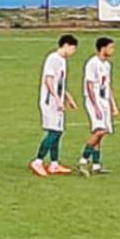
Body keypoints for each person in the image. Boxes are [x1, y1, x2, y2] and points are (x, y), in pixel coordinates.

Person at [31, 34, 81, 176]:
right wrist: (57, 99)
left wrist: (68, 98)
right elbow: (49, 80)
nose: (73, 52)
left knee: (58, 131)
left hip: (57, 101)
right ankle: (38, 161)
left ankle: (54, 164)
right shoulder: (53, 58)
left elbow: (60, 84)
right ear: (66, 45)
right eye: (73, 49)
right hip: (49, 101)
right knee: (54, 131)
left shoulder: (62, 61)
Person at [79, 36, 119, 176]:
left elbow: (107, 86)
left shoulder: (107, 65)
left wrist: (113, 104)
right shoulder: (92, 63)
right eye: (111, 47)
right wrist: (95, 106)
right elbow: (89, 85)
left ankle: (96, 165)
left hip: (104, 101)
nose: (113, 50)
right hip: (94, 101)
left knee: (102, 133)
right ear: (103, 48)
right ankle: (83, 160)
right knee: (99, 131)